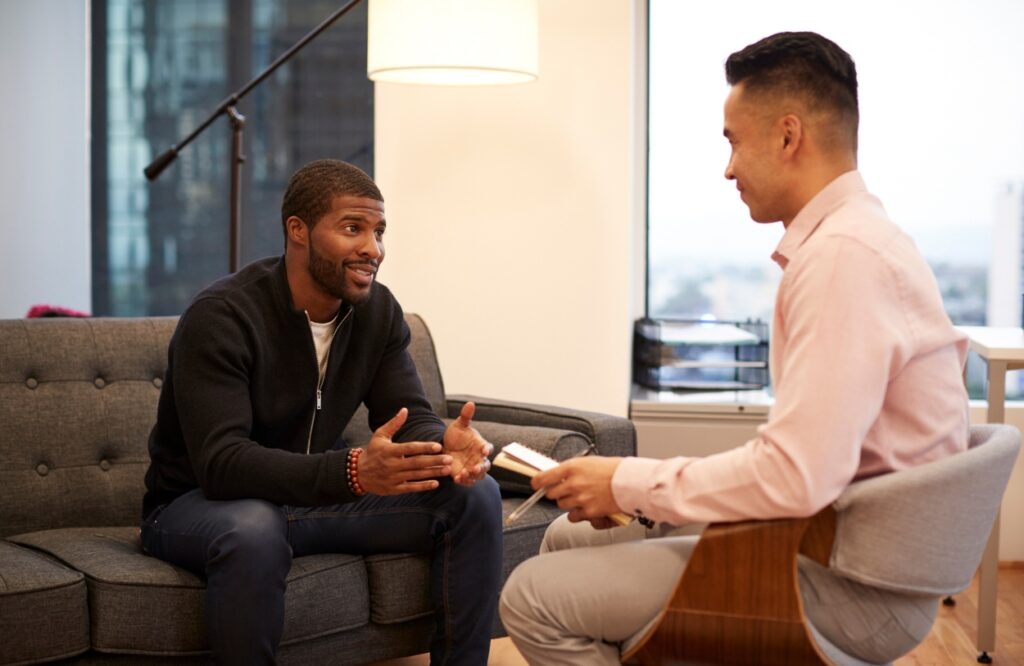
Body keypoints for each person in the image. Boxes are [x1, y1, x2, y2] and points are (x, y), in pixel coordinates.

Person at [500, 31, 969, 665]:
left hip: (847, 579)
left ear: (787, 135)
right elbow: (804, 463)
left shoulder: (843, 260)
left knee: (531, 596)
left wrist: (629, 483)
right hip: (830, 536)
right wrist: (630, 491)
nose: (728, 168)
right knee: (561, 540)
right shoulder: (857, 241)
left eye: (732, 141)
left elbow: (796, 478)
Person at [142, 159, 503, 665]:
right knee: (253, 529)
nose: (372, 249)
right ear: (298, 231)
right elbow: (222, 464)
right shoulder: (222, 317)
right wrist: (353, 471)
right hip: (200, 504)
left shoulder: (377, 312)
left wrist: (442, 443)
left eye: (379, 232)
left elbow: (410, 414)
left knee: (475, 496)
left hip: (309, 502)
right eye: (353, 229)